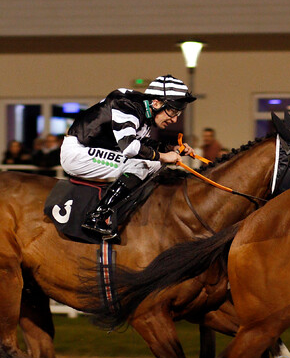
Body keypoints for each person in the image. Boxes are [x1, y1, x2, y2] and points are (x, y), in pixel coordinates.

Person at [60, 74, 196, 237]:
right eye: (172, 112)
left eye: (178, 114)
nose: (174, 119)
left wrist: (171, 148)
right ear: (157, 102)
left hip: (92, 149)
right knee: (141, 165)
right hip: (78, 152)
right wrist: (163, 156)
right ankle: (98, 216)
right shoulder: (126, 105)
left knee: (152, 163)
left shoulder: (144, 112)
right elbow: (130, 148)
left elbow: (142, 144)